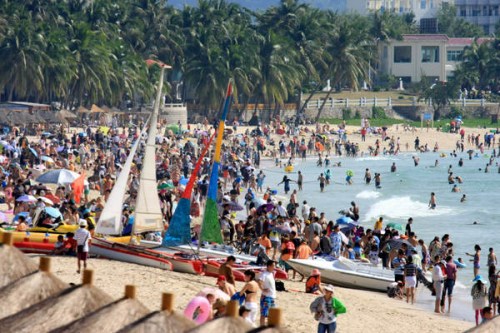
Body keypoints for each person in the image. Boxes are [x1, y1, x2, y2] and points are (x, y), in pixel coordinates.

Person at [258, 260, 277, 326]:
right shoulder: (264, 274)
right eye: (273, 266)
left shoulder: (271, 274)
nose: (274, 267)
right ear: (269, 266)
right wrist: (263, 289)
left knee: (271, 314)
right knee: (264, 314)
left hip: (272, 297)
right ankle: (261, 328)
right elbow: (259, 282)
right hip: (266, 297)